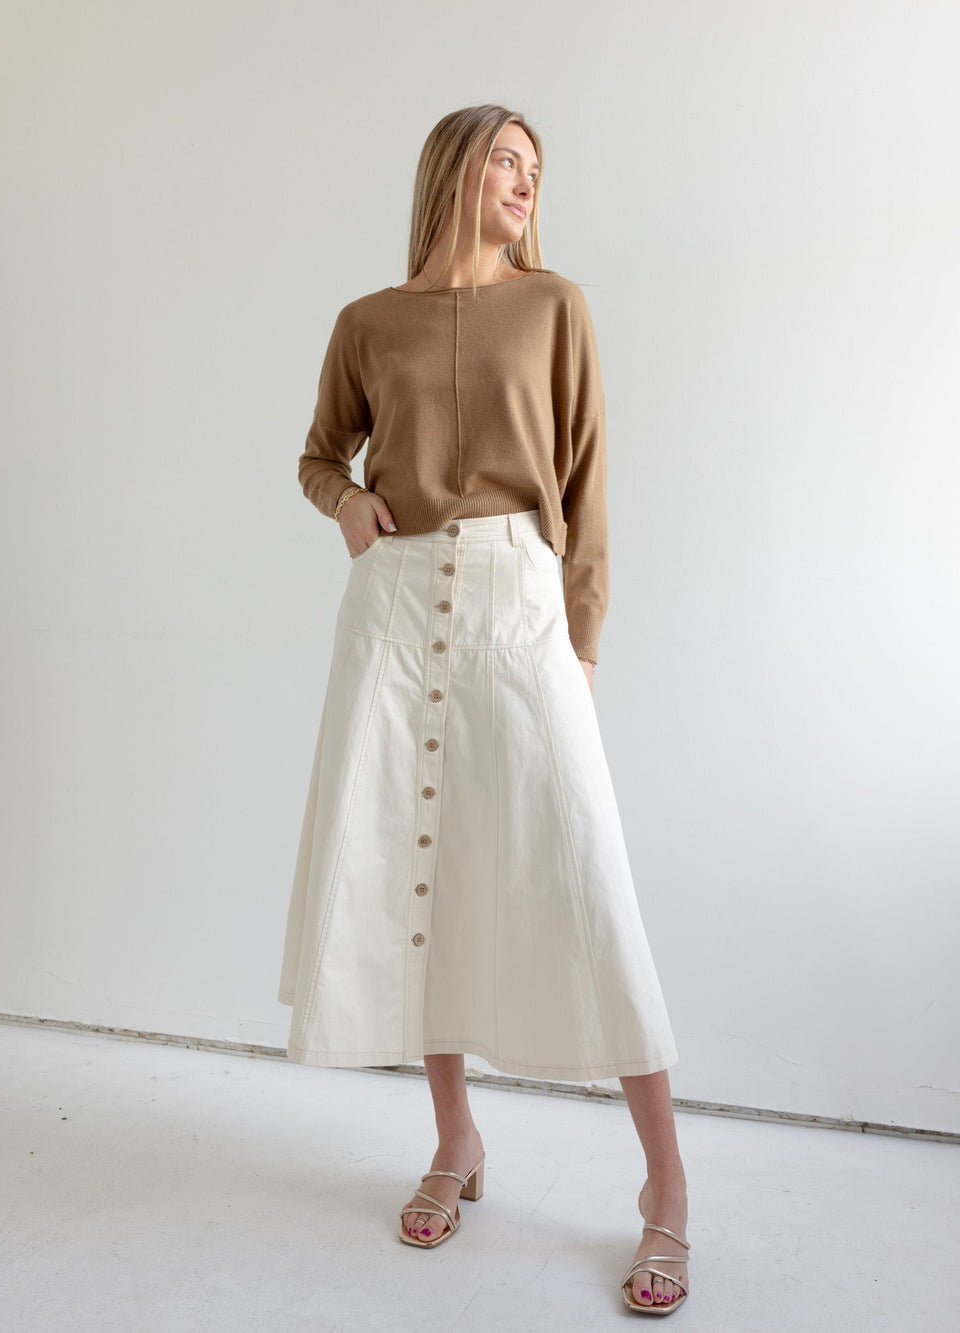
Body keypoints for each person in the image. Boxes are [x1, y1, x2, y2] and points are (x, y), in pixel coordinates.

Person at [277, 104, 691, 1314]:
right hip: (396, 606)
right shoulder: (368, 321)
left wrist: (584, 639)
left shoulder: (555, 306)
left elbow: (586, 479)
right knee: (423, 869)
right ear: (453, 171)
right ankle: (455, 1136)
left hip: (521, 601)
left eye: (535, 167)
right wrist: (345, 504)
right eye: (505, 159)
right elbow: (317, 454)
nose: (524, 180)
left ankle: (666, 1182)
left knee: (586, 877)